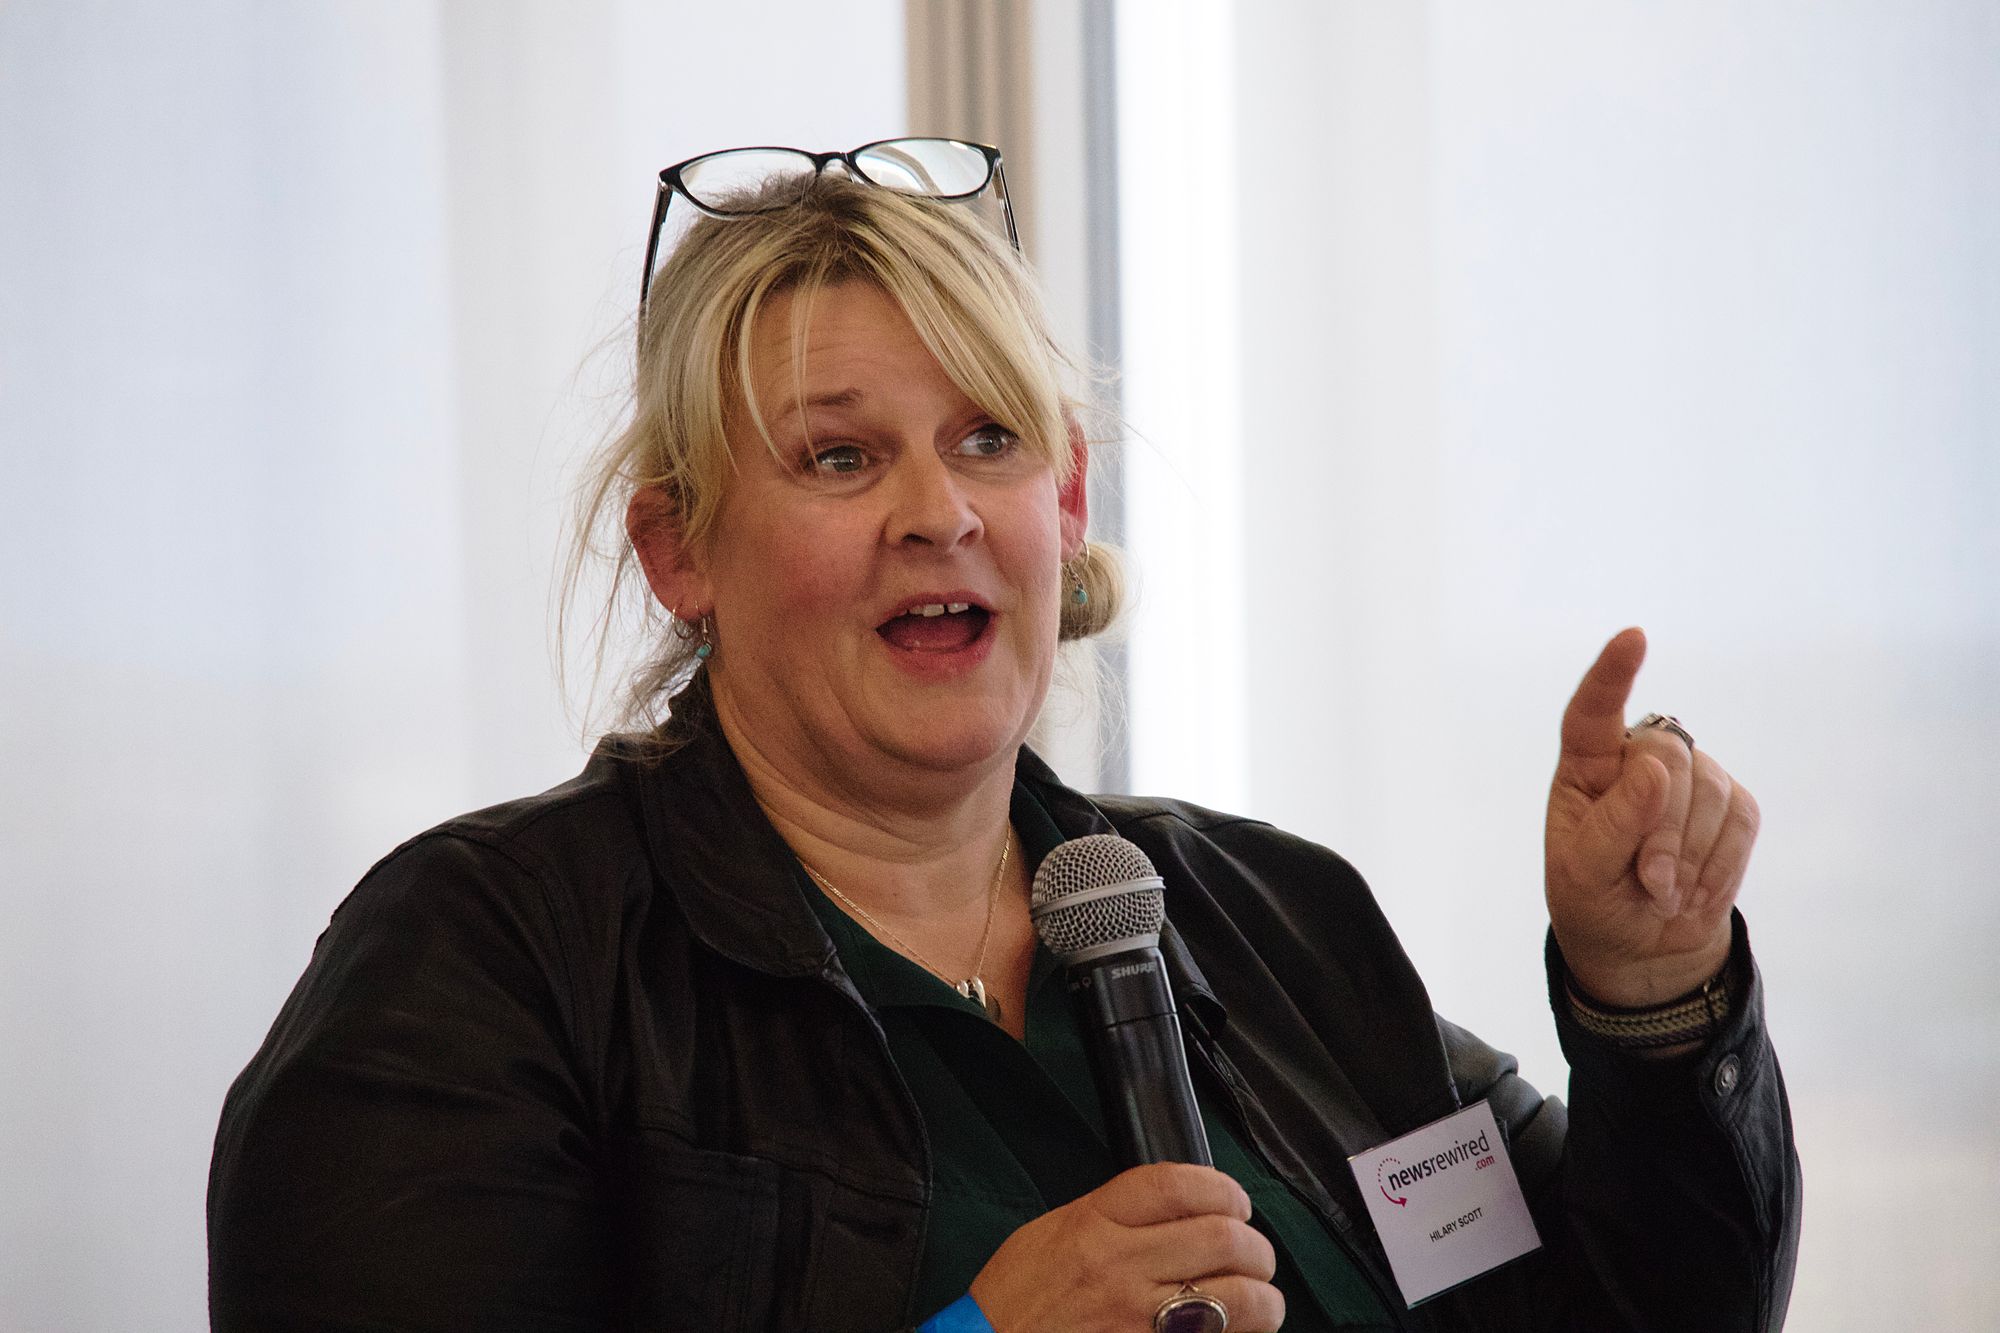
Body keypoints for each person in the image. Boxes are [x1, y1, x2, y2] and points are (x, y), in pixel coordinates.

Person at [208, 140, 1800, 1332]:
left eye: (988, 438)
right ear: (679, 549)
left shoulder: (1278, 918)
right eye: (839, 457)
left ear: (1067, 499)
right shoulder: (483, 966)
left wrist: (1652, 994)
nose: (939, 512)